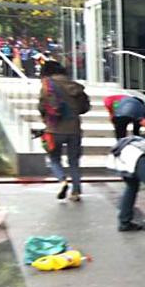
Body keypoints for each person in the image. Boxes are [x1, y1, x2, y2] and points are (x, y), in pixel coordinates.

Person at [38, 60, 87, 202]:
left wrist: (45, 119)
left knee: (54, 159)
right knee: (74, 161)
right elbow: (84, 108)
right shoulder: (75, 86)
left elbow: (42, 106)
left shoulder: (47, 85)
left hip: (54, 128)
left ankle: (62, 181)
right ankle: (76, 192)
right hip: (74, 129)